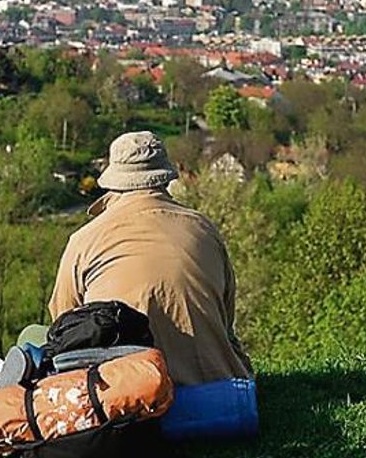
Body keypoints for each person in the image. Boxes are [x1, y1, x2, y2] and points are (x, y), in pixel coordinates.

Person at [49, 131, 254, 388]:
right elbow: (225, 318)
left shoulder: (83, 240)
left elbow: (65, 326)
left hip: (128, 402)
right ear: (165, 179)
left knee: (33, 335)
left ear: (113, 182)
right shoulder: (204, 229)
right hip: (216, 393)